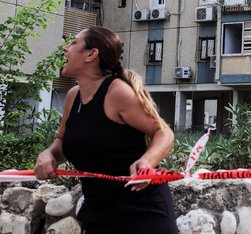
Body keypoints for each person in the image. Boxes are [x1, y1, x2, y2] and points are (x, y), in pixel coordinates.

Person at [34, 27, 177, 233]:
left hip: (143, 212)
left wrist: (148, 162)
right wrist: (48, 154)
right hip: (98, 212)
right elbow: (62, 143)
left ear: (91, 55)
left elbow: (163, 132)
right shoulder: (73, 96)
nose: (66, 48)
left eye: (73, 43)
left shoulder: (117, 92)